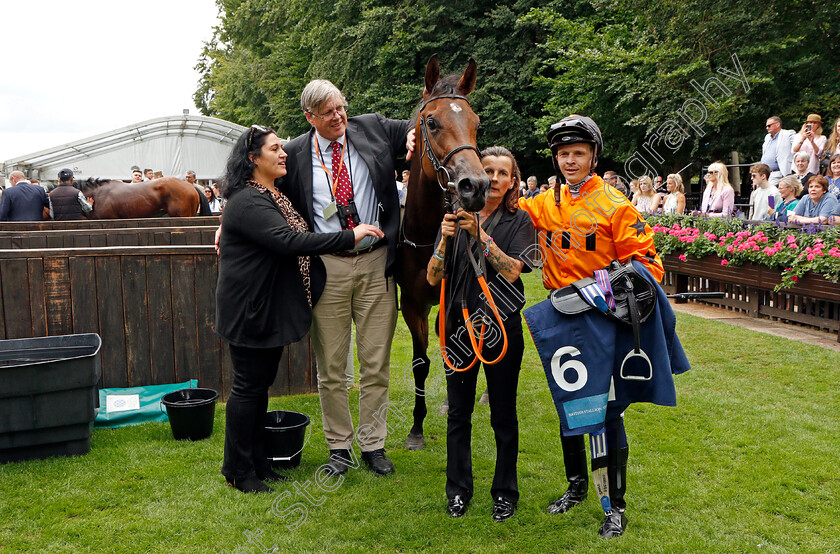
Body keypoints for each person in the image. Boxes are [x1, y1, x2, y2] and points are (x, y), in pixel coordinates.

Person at [518, 115, 688, 539]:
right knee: (568, 402)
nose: (569, 161)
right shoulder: (542, 203)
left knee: (607, 413)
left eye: (577, 153)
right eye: (562, 154)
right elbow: (502, 209)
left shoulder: (616, 205)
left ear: (593, 155)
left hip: (603, 320)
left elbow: (650, 267)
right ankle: (576, 487)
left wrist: (599, 289)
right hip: (560, 315)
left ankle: (615, 507)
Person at [215, 124, 384, 494]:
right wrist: (349, 235)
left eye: (282, 147)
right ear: (252, 158)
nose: (283, 153)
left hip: (267, 308)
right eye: (274, 149)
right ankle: (238, 471)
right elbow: (287, 240)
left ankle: (257, 463)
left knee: (259, 389)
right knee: (246, 390)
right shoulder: (247, 200)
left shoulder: (270, 193)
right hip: (250, 309)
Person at [280, 79, 411, 477]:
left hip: (376, 261)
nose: (338, 117)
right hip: (327, 265)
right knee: (332, 367)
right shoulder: (294, 153)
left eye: (340, 108)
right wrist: (227, 223)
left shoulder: (371, 126)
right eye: (327, 113)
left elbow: (421, 121)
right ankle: (339, 446)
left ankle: (373, 444)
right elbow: (260, 186)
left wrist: (409, 138)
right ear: (309, 118)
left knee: (375, 362)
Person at [427, 146, 534, 522]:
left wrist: (482, 237)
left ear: (511, 182)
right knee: (458, 413)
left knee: (503, 414)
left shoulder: (519, 221)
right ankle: (458, 490)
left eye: (502, 173)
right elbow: (432, 277)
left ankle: (505, 492)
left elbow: (513, 271)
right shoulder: (455, 217)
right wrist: (444, 239)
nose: (494, 178)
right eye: (488, 170)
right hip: (457, 327)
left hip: (499, 327)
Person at [761, 116, 795, 186]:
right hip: (765, 172)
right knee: (762, 192)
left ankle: (771, 198)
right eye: (766, 126)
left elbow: (797, 145)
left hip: (778, 171)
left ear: (777, 124)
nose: (767, 128)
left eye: (769, 125)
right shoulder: (767, 137)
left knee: (770, 193)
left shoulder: (788, 134)